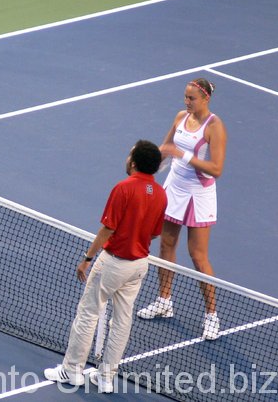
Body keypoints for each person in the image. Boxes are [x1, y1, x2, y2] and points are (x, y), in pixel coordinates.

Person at [44, 140, 167, 393]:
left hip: (114, 263)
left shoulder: (123, 188)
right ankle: (106, 377)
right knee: (122, 320)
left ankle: (72, 370)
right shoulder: (161, 194)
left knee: (89, 313)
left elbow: (108, 228)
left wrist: (87, 258)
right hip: (139, 266)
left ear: (133, 162)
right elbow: (154, 233)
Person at [137, 78, 227, 341]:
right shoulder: (180, 117)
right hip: (174, 188)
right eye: (185, 97)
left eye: (192, 99)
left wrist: (182, 154)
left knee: (198, 256)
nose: (186, 102)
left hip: (199, 194)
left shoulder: (215, 127)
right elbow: (165, 150)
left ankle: (212, 315)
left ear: (205, 99)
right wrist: (144, 170)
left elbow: (217, 169)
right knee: (166, 245)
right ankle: (164, 300)